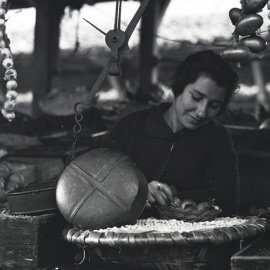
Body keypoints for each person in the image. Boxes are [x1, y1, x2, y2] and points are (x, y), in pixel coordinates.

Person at [101, 50, 240, 217]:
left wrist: (172, 197)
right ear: (178, 88)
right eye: (196, 97)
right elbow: (100, 185)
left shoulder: (217, 138)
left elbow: (226, 200)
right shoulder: (131, 126)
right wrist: (139, 191)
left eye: (214, 105)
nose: (202, 112)